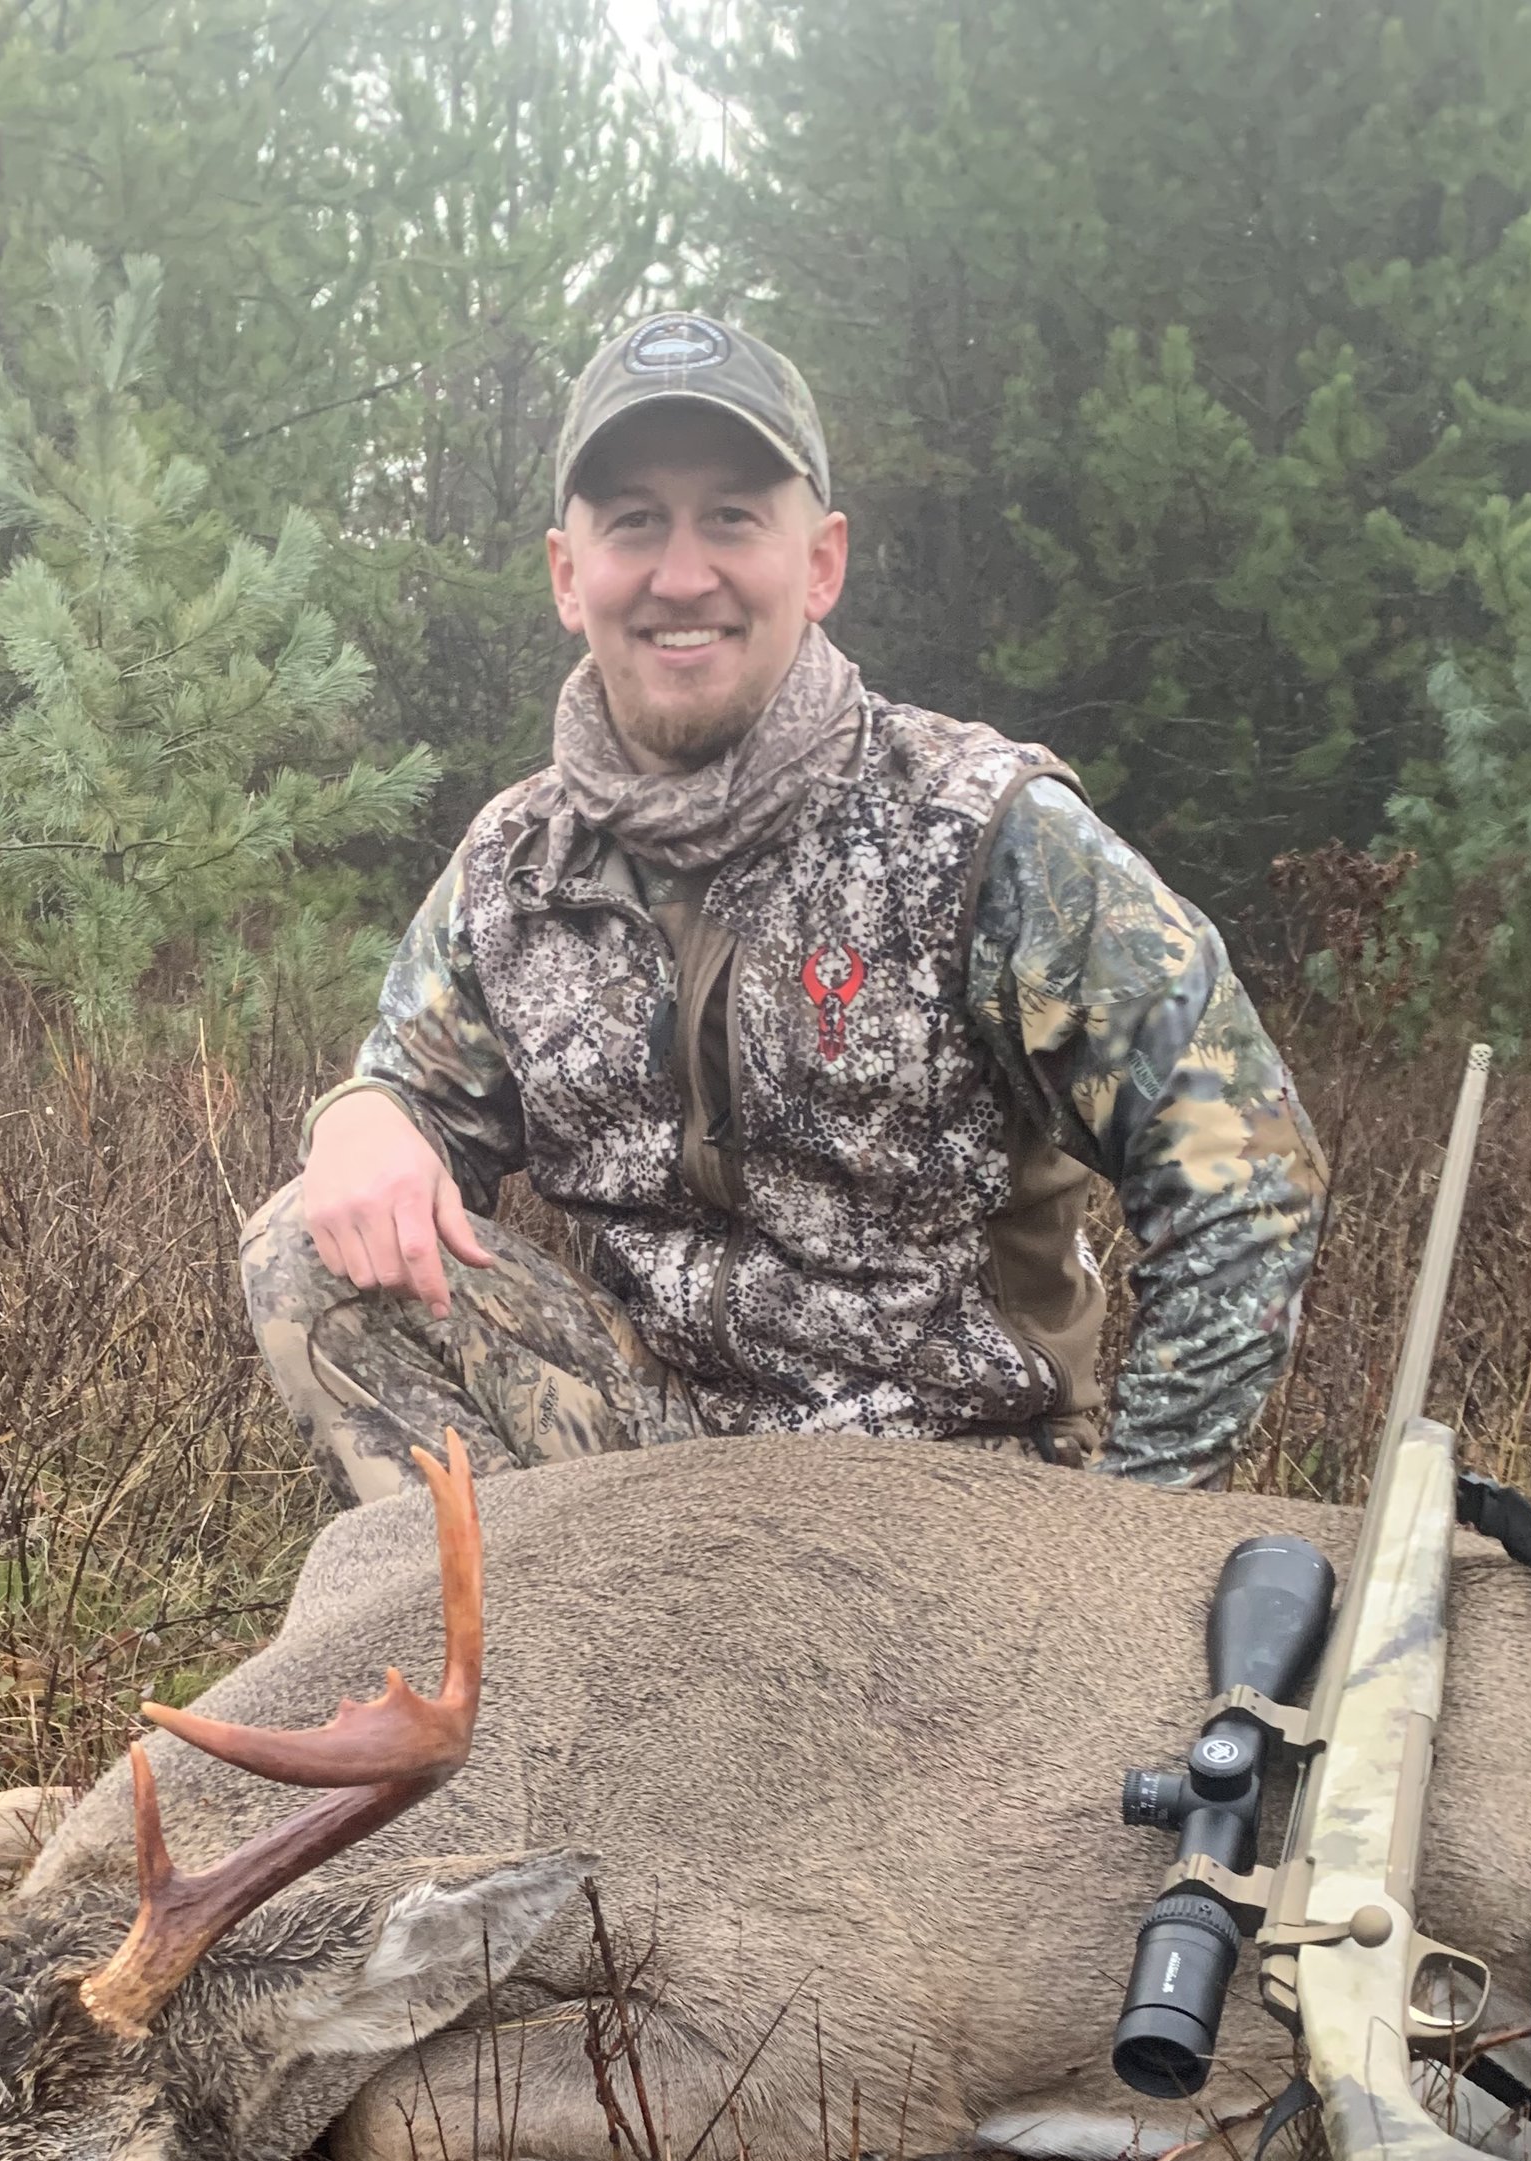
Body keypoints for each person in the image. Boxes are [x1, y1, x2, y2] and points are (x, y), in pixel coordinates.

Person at [244, 309, 1325, 1504]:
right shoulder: (516, 864)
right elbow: (413, 1099)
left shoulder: (979, 831)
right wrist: (364, 1113)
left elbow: (1246, 1171)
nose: (681, 574)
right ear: (568, 573)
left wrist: (1137, 1527)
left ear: (820, 563)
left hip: (953, 1487)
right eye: (634, 522)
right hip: (649, 1446)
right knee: (307, 1249)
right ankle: (527, 1666)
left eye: (731, 519)